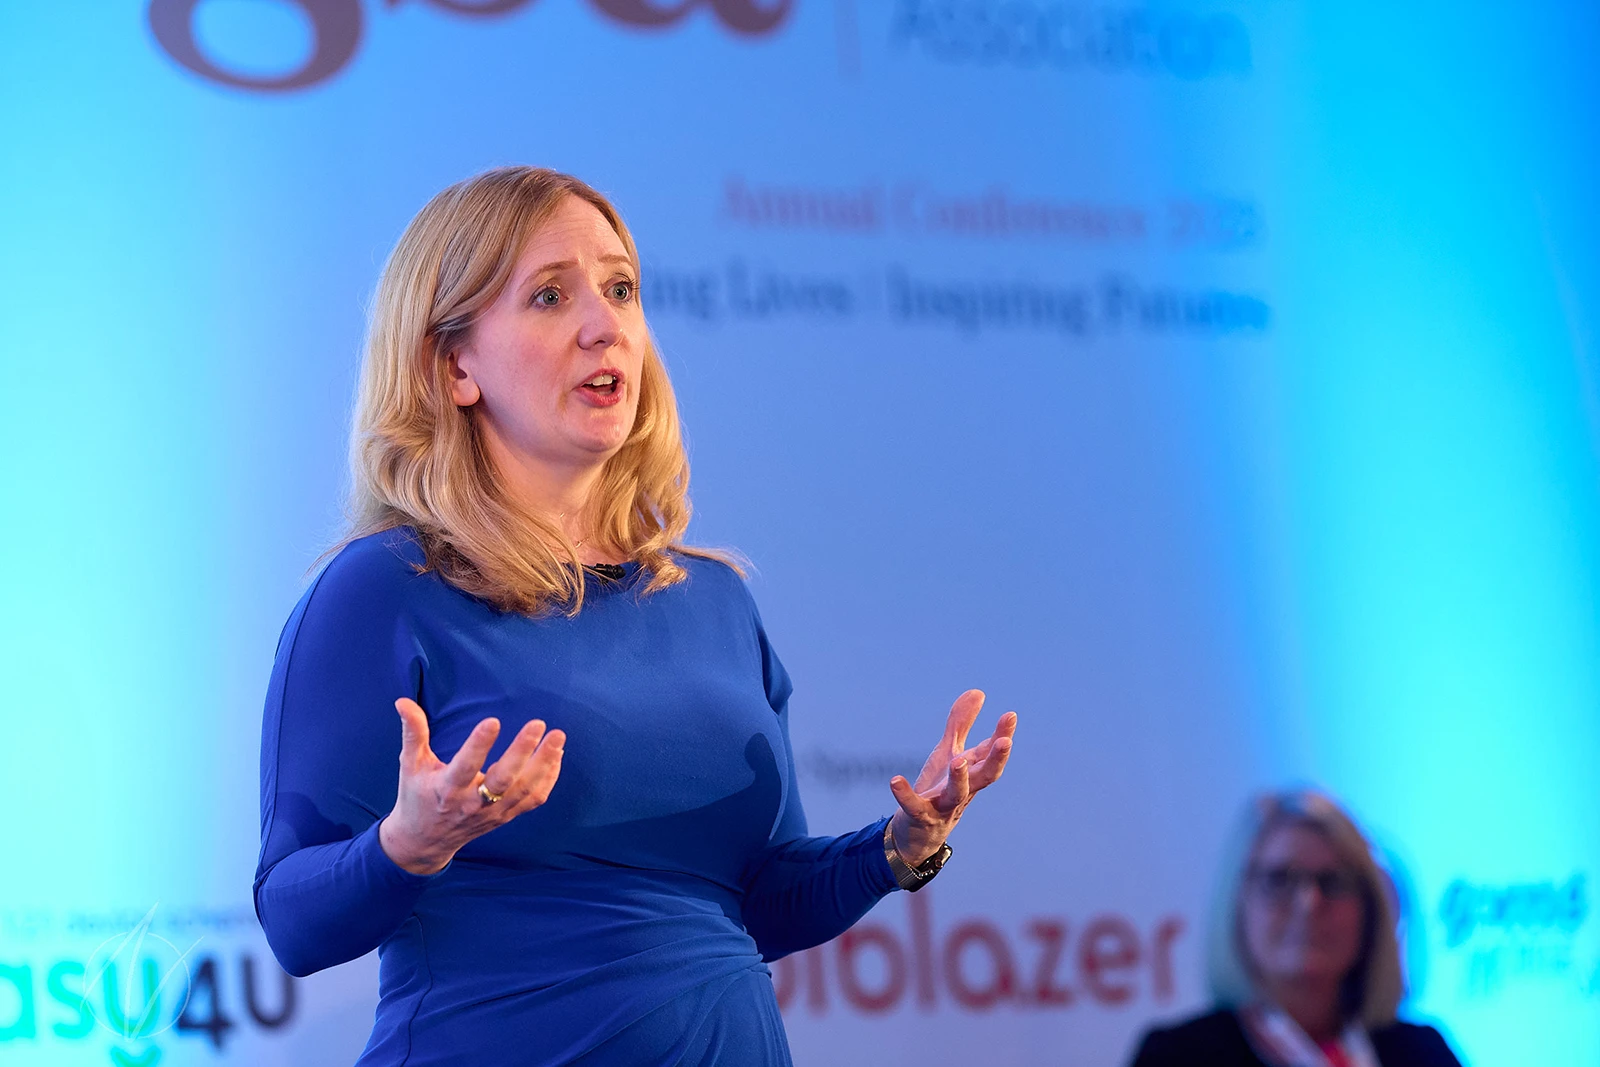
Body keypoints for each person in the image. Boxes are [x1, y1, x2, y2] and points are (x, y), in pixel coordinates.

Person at [252, 166, 1017, 1066]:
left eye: (620, 288)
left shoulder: (715, 600)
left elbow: (760, 897)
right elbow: (293, 919)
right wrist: (407, 843)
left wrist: (900, 846)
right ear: (454, 364)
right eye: (548, 295)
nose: (603, 324)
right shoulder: (384, 588)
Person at [1129, 790, 1461, 1067]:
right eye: (1279, 880)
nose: (1308, 904)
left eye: (1333, 882)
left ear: (1371, 910)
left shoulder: (1423, 1052)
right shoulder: (1176, 1057)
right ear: (1239, 903)